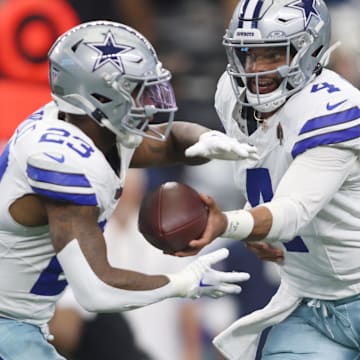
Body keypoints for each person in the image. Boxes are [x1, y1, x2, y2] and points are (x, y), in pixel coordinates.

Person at [0, 20, 259, 360]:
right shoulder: (60, 160)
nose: (149, 101)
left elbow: (171, 142)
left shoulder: (89, 128)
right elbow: (97, 289)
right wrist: (181, 283)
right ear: (96, 95)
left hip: (20, 320)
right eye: (135, 89)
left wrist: (206, 138)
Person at [179, 0, 360, 359]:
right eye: (248, 53)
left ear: (310, 50)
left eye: (272, 55)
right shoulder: (231, 95)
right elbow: (269, 168)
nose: (255, 69)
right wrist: (253, 220)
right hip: (313, 307)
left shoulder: (333, 108)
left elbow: (292, 211)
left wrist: (230, 224)